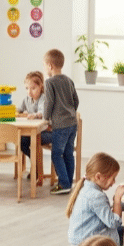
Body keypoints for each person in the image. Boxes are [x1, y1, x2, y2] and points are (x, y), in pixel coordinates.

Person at [42, 48, 80, 195]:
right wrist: (70, 111)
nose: (45, 69)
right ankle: (68, 183)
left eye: (45, 66)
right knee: (68, 153)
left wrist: (45, 118)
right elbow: (76, 101)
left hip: (60, 125)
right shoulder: (68, 80)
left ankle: (64, 184)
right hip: (72, 123)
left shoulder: (49, 82)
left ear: (50, 66)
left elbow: (49, 103)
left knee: (56, 154)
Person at [17, 71, 51, 172]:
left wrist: (35, 115)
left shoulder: (43, 98)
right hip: (33, 132)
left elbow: (42, 112)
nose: (29, 92)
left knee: (34, 140)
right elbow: (19, 109)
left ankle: (37, 168)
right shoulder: (27, 99)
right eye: (27, 88)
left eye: (33, 88)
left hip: (46, 131)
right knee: (21, 141)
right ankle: (35, 162)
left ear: (41, 86)